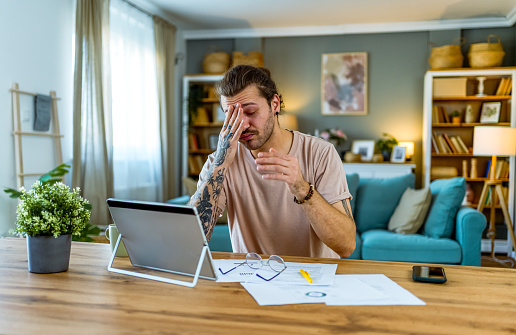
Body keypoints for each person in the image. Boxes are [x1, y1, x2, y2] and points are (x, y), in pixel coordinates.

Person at [189, 65, 356, 258]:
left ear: (274, 104)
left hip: (311, 280)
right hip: (250, 279)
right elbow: (192, 239)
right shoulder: (220, 161)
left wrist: (302, 188)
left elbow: (346, 246)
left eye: (250, 112)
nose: (242, 125)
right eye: (231, 116)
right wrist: (220, 163)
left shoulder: (321, 153)